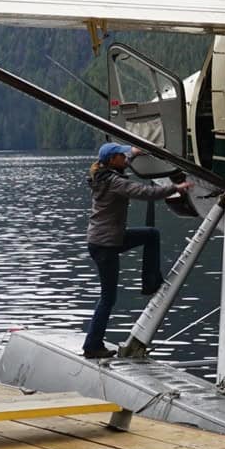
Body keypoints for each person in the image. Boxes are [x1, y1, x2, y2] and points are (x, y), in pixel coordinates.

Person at [83, 142, 184, 359]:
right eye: (121, 155)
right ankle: (92, 346)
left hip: (108, 239)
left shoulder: (104, 173)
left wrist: (133, 153)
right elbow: (142, 191)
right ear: (112, 160)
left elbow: (123, 161)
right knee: (108, 298)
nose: (124, 158)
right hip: (105, 245)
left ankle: (151, 283)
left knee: (151, 234)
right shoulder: (113, 181)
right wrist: (175, 188)